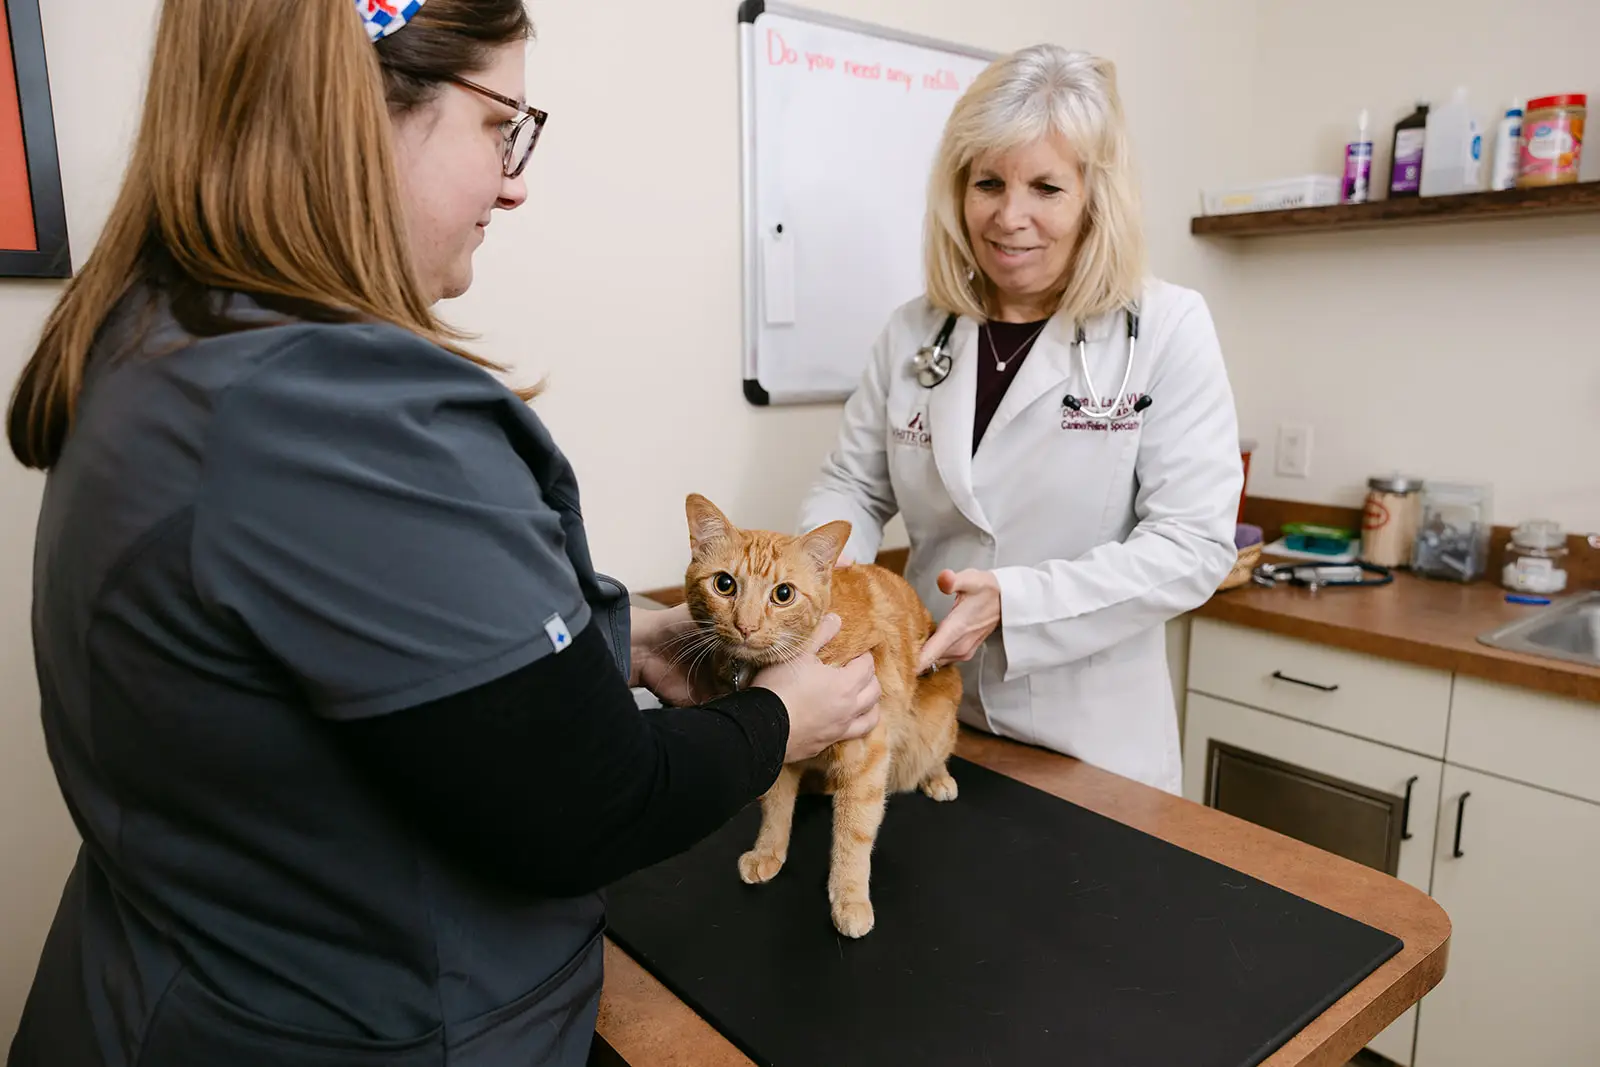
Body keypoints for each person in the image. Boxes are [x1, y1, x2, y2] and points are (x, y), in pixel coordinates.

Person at [5, 2, 881, 1065]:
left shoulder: (167, 336)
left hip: (157, 986)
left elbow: (378, 653)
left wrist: (627, 638)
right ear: (354, 112)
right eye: (498, 124)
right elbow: (592, 810)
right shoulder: (344, 415)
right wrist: (781, 718)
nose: (515, 180)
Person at [797, 45, 1242, 796]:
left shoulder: (1166, 328)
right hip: (923, 714)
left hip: (1090, 743)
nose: (1010, 216)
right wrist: (819, 584)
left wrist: (1018, 600)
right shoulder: (914, 332)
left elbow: (1193, 543)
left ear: (1096, 198)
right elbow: (853, 485)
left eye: (1046, 187)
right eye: (989, 183)